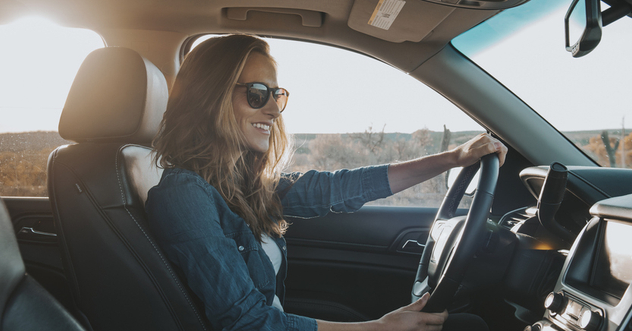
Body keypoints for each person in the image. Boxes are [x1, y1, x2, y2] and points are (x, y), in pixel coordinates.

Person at [145, 34, 507, 331]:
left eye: (277, 94)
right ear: (211, 98)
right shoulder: (183, 194)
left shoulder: (243, 186)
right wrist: (378, 328)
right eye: (256, 93)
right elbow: (249, 322)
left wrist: (453, 158)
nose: (272, 109)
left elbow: (338, 187)